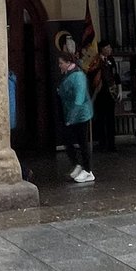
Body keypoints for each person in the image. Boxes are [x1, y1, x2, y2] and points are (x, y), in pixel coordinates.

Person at [57, 48, 94, 184]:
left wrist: (71, 118)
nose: (59, 65)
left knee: (82, 142)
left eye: (61, 63)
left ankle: (88, 170)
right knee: (69, 141)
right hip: (71, 114)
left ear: (68, 63)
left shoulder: (78, 76)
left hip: (81, 115)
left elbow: (79, 98)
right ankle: (79, 165)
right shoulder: (68, 74)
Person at [94, 40, 120, 152]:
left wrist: (119, 90)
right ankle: (102, 143)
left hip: (111, 93)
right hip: (100, 94)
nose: (110, 49)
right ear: (102, 49)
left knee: (110, 119)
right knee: (100, 119)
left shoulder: (111, 60)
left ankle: (111, 144)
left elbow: (116, 75)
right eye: (108, 47)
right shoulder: (96, 61)